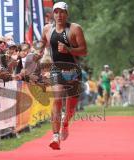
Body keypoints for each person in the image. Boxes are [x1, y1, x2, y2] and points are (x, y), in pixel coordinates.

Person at [40, 2, 87, 150]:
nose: (59, 15)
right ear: (53, 14)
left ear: (67, 14)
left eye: (62, 12)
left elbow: (84, 51)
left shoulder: (75, 29)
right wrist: (36, 57)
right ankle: (55, 136)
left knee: (71, 107)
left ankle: (65, 124)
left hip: (73, 70)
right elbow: (41, 46)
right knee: (57, 98)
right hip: (57, 69)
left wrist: (69, 50)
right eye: (56, 12)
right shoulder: (47, 29)